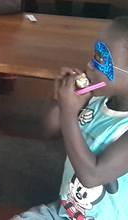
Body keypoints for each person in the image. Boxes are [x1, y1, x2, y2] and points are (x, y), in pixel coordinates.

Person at [14, 18, 128, 220]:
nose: (89, 65)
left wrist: (68, 112)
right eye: (93, 56)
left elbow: (92, 176)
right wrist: (59, 99)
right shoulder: (97, 100)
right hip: (65, 211)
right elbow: (49, 131)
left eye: (100, 60)